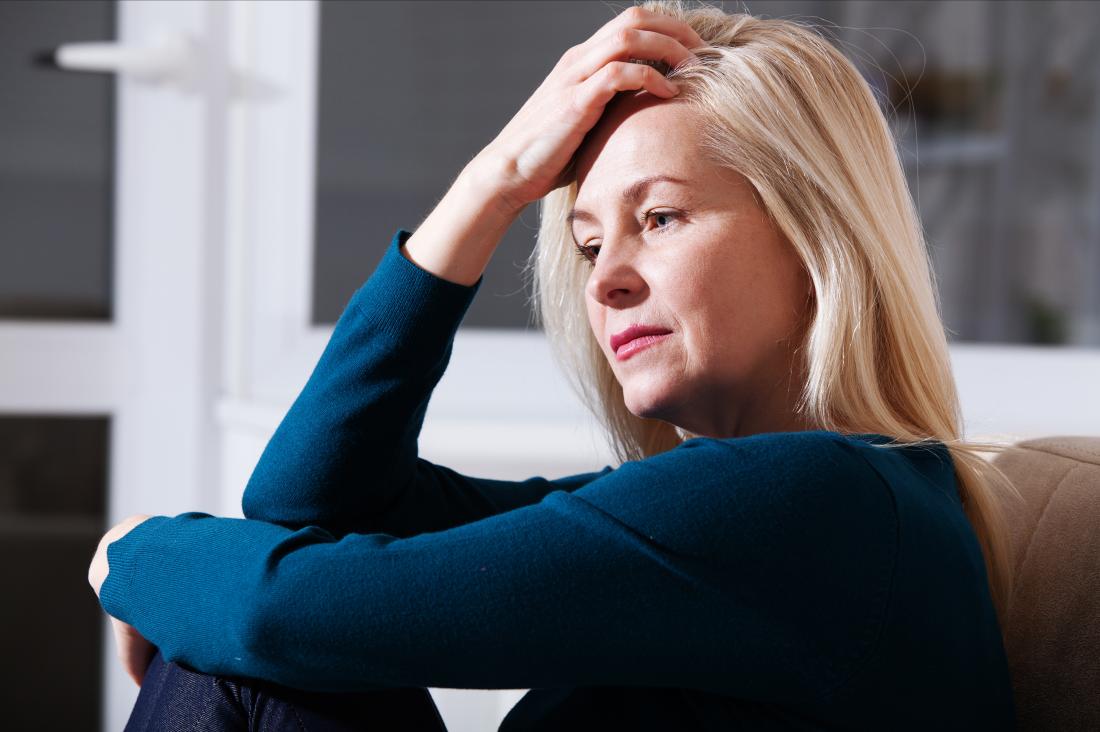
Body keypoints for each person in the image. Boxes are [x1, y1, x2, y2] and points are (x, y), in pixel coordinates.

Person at [88, 1, 1022, 729]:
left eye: (659, 219)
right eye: (583, 244)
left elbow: (277, 612)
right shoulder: (775, 510)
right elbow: (310, 504)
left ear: (817, 236)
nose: (605, 280)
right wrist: (495, 178)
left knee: (231, 634)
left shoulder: (812, 508)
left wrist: (128, 551)